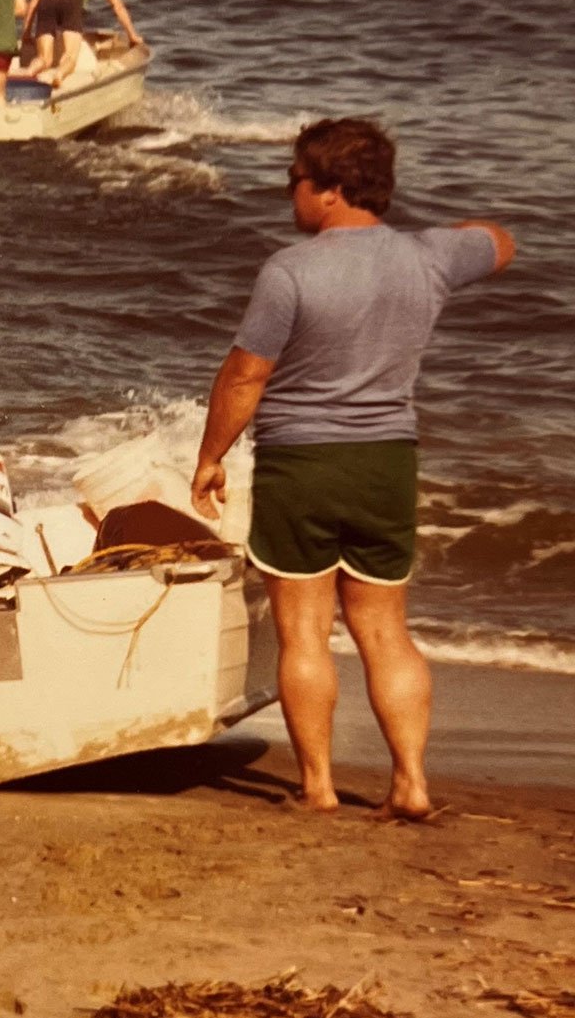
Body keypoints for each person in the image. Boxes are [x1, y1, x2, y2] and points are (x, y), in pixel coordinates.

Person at [190, 117, 515, 819]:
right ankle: (411, 783)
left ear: (331, 191)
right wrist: (430, 241)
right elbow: (499, 242)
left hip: (301, 464)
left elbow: (245, 377)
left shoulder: (290, 271)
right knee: (385, 631)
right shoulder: (429, 258)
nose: (290, 195)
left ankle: (317, 787)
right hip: (385, 464)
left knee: (304, 631)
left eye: (296, 182)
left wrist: (211, 457)